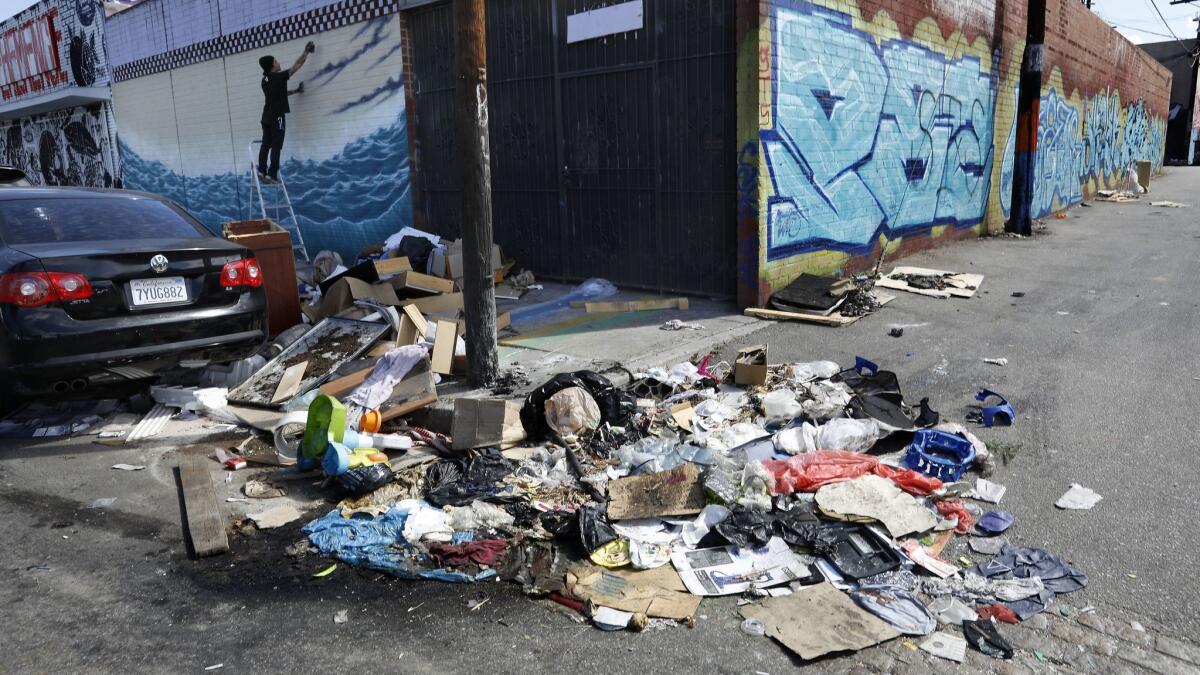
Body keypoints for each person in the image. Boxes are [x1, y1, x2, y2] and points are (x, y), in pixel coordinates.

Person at [257, 41, 315, 183]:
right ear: (272, 66)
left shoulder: (264, 80)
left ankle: (262, 171)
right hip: (278, 117)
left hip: (266, 117)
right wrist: (306, 52)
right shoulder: (279, 77)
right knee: (276, 145)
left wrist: (295, 91)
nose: (278, 62)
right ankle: (272, 174)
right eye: (275, 61)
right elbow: (297, 66)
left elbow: (278, 94)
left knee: (266, 143)